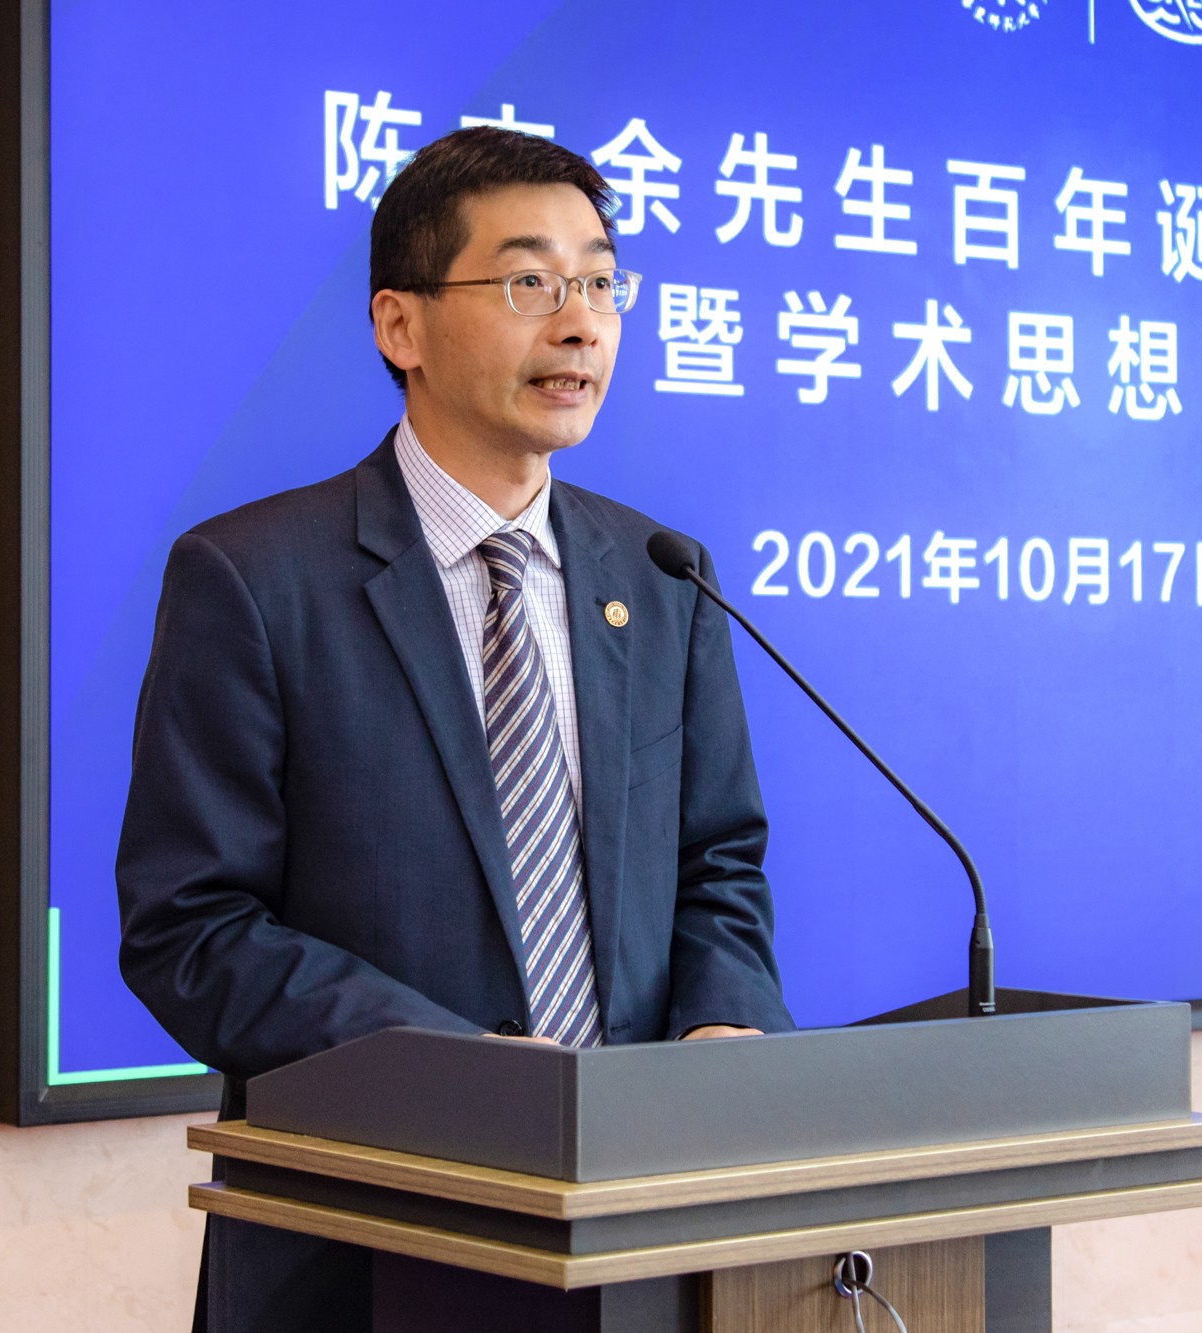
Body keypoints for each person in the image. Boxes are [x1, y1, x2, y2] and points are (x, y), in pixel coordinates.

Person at [115, 126, 795, 1331]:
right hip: (363, 1245)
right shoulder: (253, 577)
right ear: (401, 326)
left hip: (642, 1230)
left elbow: (716, 862)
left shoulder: (659, 574)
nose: (580, 325)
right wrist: (459, 1066)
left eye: (600, 283)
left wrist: (724, 1018)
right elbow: (192, 925)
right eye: (530, 281)